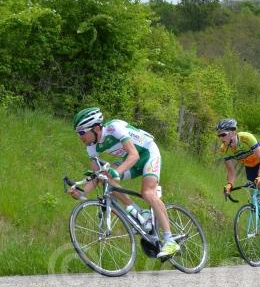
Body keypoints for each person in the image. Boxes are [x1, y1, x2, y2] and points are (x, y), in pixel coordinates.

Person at [68, 107, 179, 258]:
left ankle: (170, 240)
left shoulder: (114, 128)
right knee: (106, 179)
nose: (80, 137)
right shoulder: (91, 147)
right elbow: (98, 175)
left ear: (95, 128)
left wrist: (117, 172)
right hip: (132, 161)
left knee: (147, 192)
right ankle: (137, 212)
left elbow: (134, 155)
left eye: (81, 132)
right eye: (77, 133)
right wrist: (82, 193)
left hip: (148, 154)